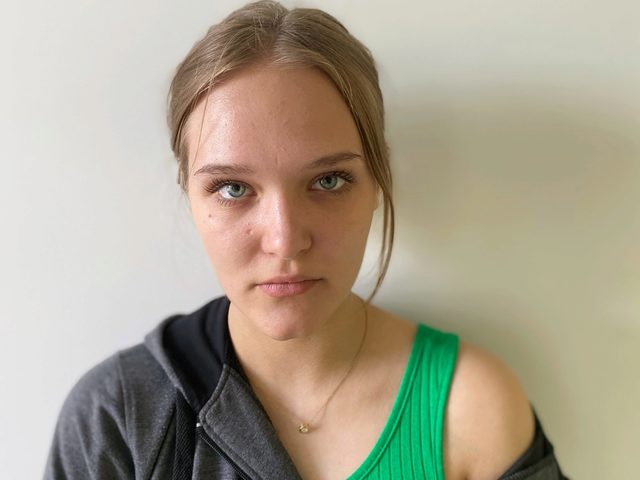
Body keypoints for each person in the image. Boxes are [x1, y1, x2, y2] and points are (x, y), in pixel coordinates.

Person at [44, 1, 567, 479]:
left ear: (377, 180)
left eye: (328, 181)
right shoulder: (119, 416)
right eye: (232, 188)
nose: (285, 241)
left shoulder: (469, 409)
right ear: (189, 192)